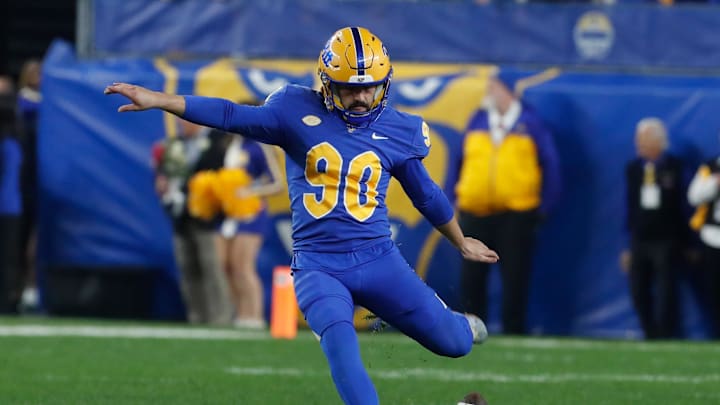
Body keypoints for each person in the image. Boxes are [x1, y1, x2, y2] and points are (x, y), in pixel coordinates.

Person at [106, 26, 499, 405]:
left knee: (456, 345)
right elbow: (229, 114)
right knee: (342, 352)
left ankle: (459, 325)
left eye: (370, 87)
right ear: (328, 84)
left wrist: (460, 240)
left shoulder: (398, 129)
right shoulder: (294, 109)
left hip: (379, 259)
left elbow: (425, 194)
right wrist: (160, 99)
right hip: (318, 266)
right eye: (350, 87)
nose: (362, 97)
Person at [455, 68, 561, 335]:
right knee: (472, 277)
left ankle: (514, 329)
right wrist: (453, 198)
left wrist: (543, 207)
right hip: (475, 210)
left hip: (516, 213)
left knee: (515, 276)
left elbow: (551, 166)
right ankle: (471, 329)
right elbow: (460, 162)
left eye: (494, 86)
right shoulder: (478, 119)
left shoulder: (531, 122)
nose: (489, 91)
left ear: (509, 90)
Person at [152, 117, 234, 325]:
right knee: (188, 268)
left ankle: (221, 317)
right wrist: (161, 180)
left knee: (211, 267)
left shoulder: (217, 142)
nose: (182, 127)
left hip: (207, 216)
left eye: (185, 123)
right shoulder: (175, 145)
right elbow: (166, 173)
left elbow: (225, 175)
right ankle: (197, 316)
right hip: (180, 214)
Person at [620, 118, 684, 339]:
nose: (639, 145)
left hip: (666, 237)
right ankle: (649, 331)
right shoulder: (634, 169)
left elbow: (681, 206)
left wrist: (685, 242)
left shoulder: (674, 167)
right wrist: (627, 243)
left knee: (666, 290)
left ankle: (666, 333)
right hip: (640, 237)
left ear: (659, 141)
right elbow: (629, 206)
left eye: (644, 140)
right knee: (638, 289)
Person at [217, 132, 283, 329]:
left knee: (243, 266)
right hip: (228, 213)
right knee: (226, 266)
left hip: (250, 213)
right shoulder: (229, 143)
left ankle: (253, 316)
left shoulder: (259, 144)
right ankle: (240, 314)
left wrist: (250, 192)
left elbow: (276, 182)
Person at [15, 59, 42, 312]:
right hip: (24, 177)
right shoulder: (22, 102)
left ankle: (32, 289)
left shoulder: (52, 101)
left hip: (39, 178)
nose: (37, 76)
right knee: (21, 237)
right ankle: (22, 288)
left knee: (35, 236)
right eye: (33, 72)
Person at [687, 146, 720, 338]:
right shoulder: (710, 167)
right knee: (715, 291)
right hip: (713, 237)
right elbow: (693, 196)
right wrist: (714, 183)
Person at [0, 81, 22, 314]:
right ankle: (7, 303)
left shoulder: (11, 141)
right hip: (11, 205)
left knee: (8, 260)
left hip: (9, 205)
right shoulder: (14, 140)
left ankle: (7, 303)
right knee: (8, 260)